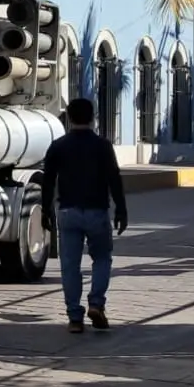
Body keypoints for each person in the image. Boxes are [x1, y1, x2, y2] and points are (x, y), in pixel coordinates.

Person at [38, 97, 128, 333]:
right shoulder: (102, 146)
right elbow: (114, 178)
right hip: (97, 211)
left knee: (70, 265)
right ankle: (96, 303)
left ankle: (74, 318)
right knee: (102, 259)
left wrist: (46, 210)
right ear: (93, 117)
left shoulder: (58, 146)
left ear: (68, 118)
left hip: (68, 212)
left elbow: (48, 181)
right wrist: (121, 209)